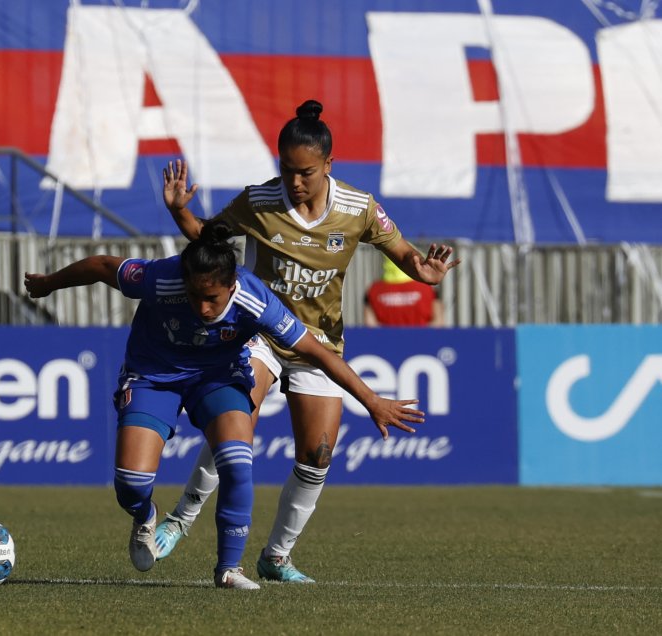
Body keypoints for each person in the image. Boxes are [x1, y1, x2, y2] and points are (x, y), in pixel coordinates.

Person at [24, 220, 424, 589]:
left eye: (211, 298)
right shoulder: (160, 277)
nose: (202, 307)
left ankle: (229, 569)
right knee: (131, 484)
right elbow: (100, 265)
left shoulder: (256, 299)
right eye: (195, 296)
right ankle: (145, 514)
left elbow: (316, 352)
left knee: (236, 460)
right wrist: (48, 284)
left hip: (217, 377)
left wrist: (371, 400)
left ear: (232, 284)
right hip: (154, 376)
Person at [158, 99, 461, 583]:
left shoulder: (358, 209)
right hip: (258, 333)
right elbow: (204, 238)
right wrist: (181, 212)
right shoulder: (258, 203)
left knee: (317, 454)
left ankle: (276, 556)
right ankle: (180, 519)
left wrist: (425, 272)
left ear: (328, 166)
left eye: (305, 172)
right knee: (235, 423)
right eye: (286, 170)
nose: (294, 182)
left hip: (318, 341)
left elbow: (405, 253)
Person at [364, 257, 445, 327]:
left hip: (387, 342)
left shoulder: (373, 290)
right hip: (422, 342)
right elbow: (438, 322)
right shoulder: (427, 288)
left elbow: (370, 325)